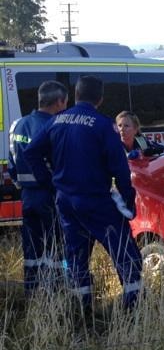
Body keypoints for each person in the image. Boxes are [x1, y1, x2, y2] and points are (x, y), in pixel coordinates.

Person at [24, 75, 143, 311]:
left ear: (75, 95)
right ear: (99, 99)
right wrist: (129, 201)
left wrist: (50, 182)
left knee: (77, 256)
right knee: (126, 255)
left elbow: (31, 152)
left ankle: (82, 308)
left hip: (66, 202)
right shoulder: (102, 124)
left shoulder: (56, 121)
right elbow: (119, 167)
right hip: (96, 201)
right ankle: (133, 309)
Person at [8, 80, 68, 296]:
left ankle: (32, 291)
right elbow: (60, 164)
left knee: (31, 249)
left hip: (26, 196)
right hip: (49, 195)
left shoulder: (17, 125)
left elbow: (12, 163)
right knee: (56, 247)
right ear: (60, 102)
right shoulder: (55, 126)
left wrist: (22, 185)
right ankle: (57, 291)